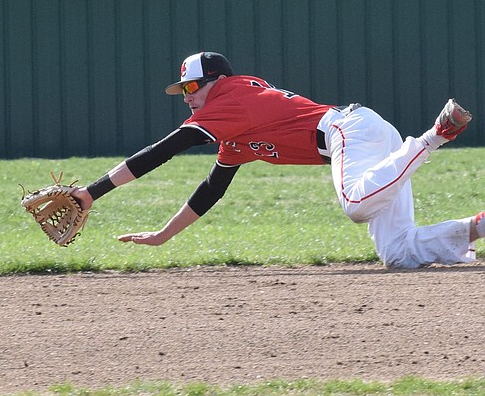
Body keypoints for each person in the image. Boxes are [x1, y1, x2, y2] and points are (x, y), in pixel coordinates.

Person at [72, 51, 484, 268]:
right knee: (398, 252)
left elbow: (164, 150)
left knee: (356, 206)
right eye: (183, 90)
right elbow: (212, 188)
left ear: (216, 81)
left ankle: (435, 135)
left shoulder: (232, 98)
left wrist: (92, 193)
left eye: (193, 85)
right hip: (364, 135)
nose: (189, 96)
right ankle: (477, 227)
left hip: (347, 133)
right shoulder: (234, 125)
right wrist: (164, 236)